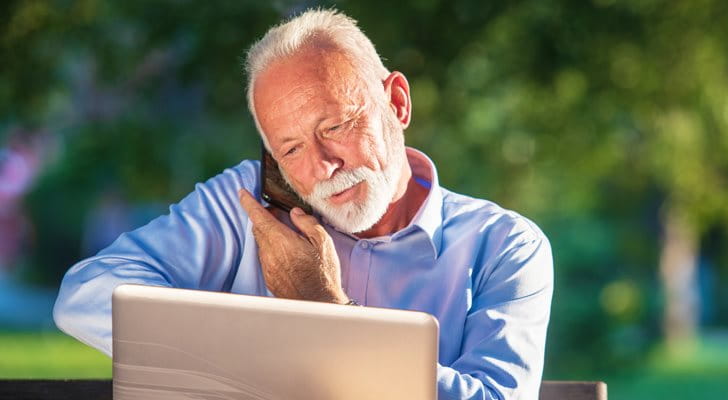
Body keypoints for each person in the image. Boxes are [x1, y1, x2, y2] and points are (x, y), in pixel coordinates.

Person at [53, 8, 553, 400]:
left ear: (397, 103)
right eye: (290, 148)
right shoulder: (249, 203)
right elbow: (86, 296)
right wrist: (264, 353)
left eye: (335, 126)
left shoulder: (506, 246)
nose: (321, 167)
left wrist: (326, 312)